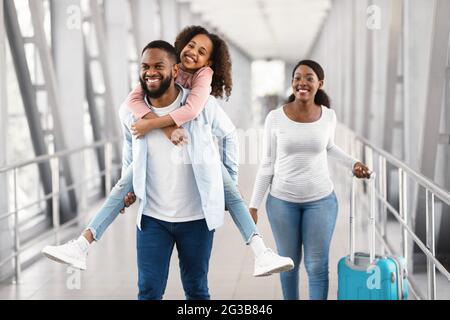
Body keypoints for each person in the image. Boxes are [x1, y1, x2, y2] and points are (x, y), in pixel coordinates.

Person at [42, 26, 292, 279]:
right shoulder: (145, 88)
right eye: (191, 45)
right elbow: (131, 132)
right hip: (153, 213)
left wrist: (228, 174)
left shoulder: (202, 88)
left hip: (200, 184)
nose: (193, 52)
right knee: (120, 188)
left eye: (201, 51)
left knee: (232, 194)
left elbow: (202, 116)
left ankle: (262, 253)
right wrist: (133, 183)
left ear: (205, 63)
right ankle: (81, 245)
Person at [249, 60, 371, 300]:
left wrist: (353, 164)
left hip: (321, 201)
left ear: (320, 84)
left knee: (316, 267)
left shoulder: (328, 116)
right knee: (288, 264)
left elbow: (330, 147)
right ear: (292, 82)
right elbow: (267, 163)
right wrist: (253, 205)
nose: (302, 82)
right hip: (282, 202)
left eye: (309, 77)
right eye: (297, 77)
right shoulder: (275, 118)